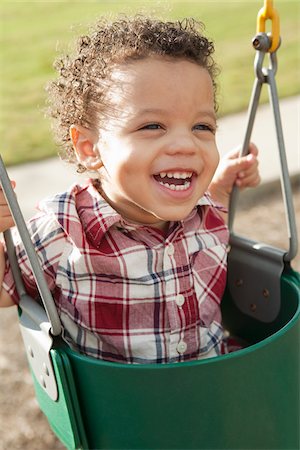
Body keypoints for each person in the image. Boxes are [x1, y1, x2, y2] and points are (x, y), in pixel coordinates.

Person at [0, 16, 259, 364]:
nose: (185, 144)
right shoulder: (64, 230)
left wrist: (224, 185)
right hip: (123, 409)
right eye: (153, 125)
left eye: (202, 126)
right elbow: (6, 288)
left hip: (213, 391)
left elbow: (217, 205)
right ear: (90, 148)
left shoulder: (206, 210)